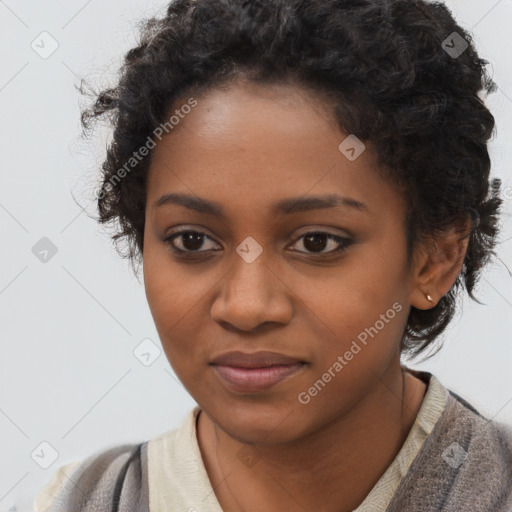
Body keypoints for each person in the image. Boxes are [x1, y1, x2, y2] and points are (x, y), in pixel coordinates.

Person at [33, 0, 512, 510]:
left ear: (434, 258)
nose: (246, 307)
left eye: (317, 242)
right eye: (192, 240)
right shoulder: (81, 499)